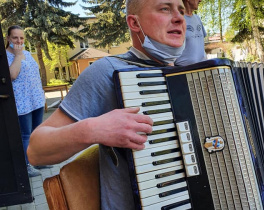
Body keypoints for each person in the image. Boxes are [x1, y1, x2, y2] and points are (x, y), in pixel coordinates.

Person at [28, 0, 186, 209]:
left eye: (181, 11)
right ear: (134, 23)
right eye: (165, 9)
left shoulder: (189, 75)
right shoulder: (107, 71)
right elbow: (36, 152)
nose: (179, 18)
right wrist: (94, 129)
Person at [5, 25, 50, 177]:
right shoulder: (6, 56)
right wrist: (17, 56)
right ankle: (27, 165)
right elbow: (12, 75)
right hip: (22, 102)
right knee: (26, 135)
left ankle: (38, 160)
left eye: (22, 37)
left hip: (36, 99)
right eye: (15, 37)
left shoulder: (27, 54)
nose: (19, 40)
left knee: (36, 132)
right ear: (8, 39)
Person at [175, 0, 207, 66]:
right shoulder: (177, 19)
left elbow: (200, 45)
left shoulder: (197, 18)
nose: (200, 0)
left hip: (203, 69)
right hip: (184, 71)